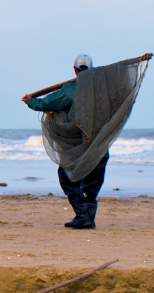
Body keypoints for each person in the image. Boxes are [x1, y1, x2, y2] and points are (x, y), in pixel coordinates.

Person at [21, 54, 108, 230]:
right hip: (100, 146)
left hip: (78, 147)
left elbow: (48, 103)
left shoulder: (71, 89)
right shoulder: (102, 90)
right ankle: (88, 218)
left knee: (67, 177)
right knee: (92, 183)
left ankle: (83, 215)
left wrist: (31, 101)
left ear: (75, 69)